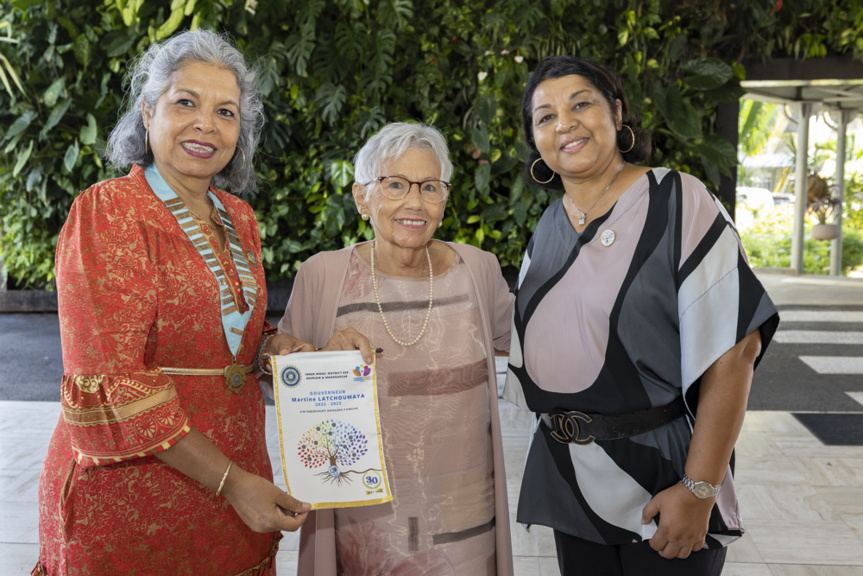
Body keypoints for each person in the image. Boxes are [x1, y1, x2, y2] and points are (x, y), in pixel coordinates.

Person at [32, 29, 343, 575]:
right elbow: (110, 379)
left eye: (226, 111)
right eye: (185, 102)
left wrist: (272, 349)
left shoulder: (238, 218)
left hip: (237, 490)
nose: (206, 123)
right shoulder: (110, 212)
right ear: (148, 112)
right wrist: (231, 482)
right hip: (134, 497)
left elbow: (222, 333)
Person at [503, 55, 780, 576]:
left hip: (661, 473)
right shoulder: (547, 229)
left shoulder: (678, 199)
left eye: (580, 103)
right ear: (536, 142)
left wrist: (699, 489)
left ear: (616, 112)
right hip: (571, 476)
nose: (564, 122)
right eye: (545, 116)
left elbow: (737, 349)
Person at [277, 122, 515, 576]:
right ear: (361, 197)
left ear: (444, 200)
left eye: (429, 187)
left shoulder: (478, 271)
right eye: (395, 185)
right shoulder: (322, 276)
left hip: (465, 527)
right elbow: (277, 364)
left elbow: (534, 343)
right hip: (363, 531)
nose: (414, 202)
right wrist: (310, 357)